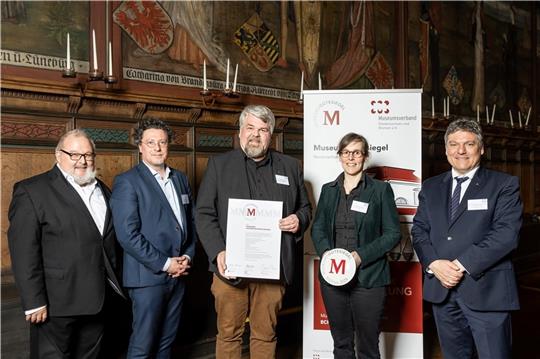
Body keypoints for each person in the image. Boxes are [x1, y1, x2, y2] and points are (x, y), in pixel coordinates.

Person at [196, 104, 312, 359]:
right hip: (230, 268)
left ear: (271, 135)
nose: (255, 135)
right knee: (229, 334)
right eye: (250, 128)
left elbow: (305, 207)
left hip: (272, 270)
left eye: (262, 129)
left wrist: (298, 220)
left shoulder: (290, 166)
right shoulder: (219, 165)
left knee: (265, 333)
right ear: (240, 132)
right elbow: (203, 213)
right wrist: (218, 251)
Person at [7, 129, 125, 358]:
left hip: (99, 301)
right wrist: (34, 302)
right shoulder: (32, 190)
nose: (82, 161)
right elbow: (23, 251)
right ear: (58, 155)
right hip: (56, 304)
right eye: (74, 154)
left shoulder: (103, 190)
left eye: (88, 155)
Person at [412, 118, 522, 359]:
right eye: (454, 144)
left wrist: (459, 266)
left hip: (487, 292)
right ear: (446, 149)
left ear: (481, 148)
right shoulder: (430, 187)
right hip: (442, 290)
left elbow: (506, 235)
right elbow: (419, 230)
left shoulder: (503, 184)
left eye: (468, 144)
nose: (460, 151)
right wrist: (434, 264)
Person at [110, 118, 196, 358]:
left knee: (166, 344)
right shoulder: (127, 181)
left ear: (168, 146)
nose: (157, 148)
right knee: (142, 346)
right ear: (140, 147)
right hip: (147, 278)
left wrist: (187, 257)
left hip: (179, 274)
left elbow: (191, 223)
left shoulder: (180, 179)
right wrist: (166, 263)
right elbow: (127, 235)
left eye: (162, 142)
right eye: (151, 143)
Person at [311, 132, 401, 359]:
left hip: (369, 278)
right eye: (346, 152)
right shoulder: (328, 190)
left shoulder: (380, 190)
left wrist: (360, 256)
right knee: (341, 343)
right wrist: (328, 255)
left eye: (357, 152)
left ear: (365, 156)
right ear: (339, 156)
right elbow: (318, 229)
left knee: (368, 346)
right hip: (333, 277)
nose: (351, 158)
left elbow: (392, 234)